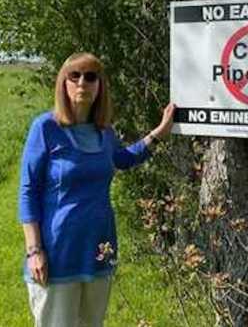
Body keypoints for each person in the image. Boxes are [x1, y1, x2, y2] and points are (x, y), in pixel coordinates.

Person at [18, 52, 174, 327]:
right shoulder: (45, 128)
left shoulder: (104, 133)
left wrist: (158, 133)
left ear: (100, 86)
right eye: (74, 76)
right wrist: (34, 251)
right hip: (57, 253)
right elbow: (28, 191)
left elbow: (123, 159)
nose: (82, 83)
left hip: (100, 248)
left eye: (91, 77)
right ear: (63, 83)